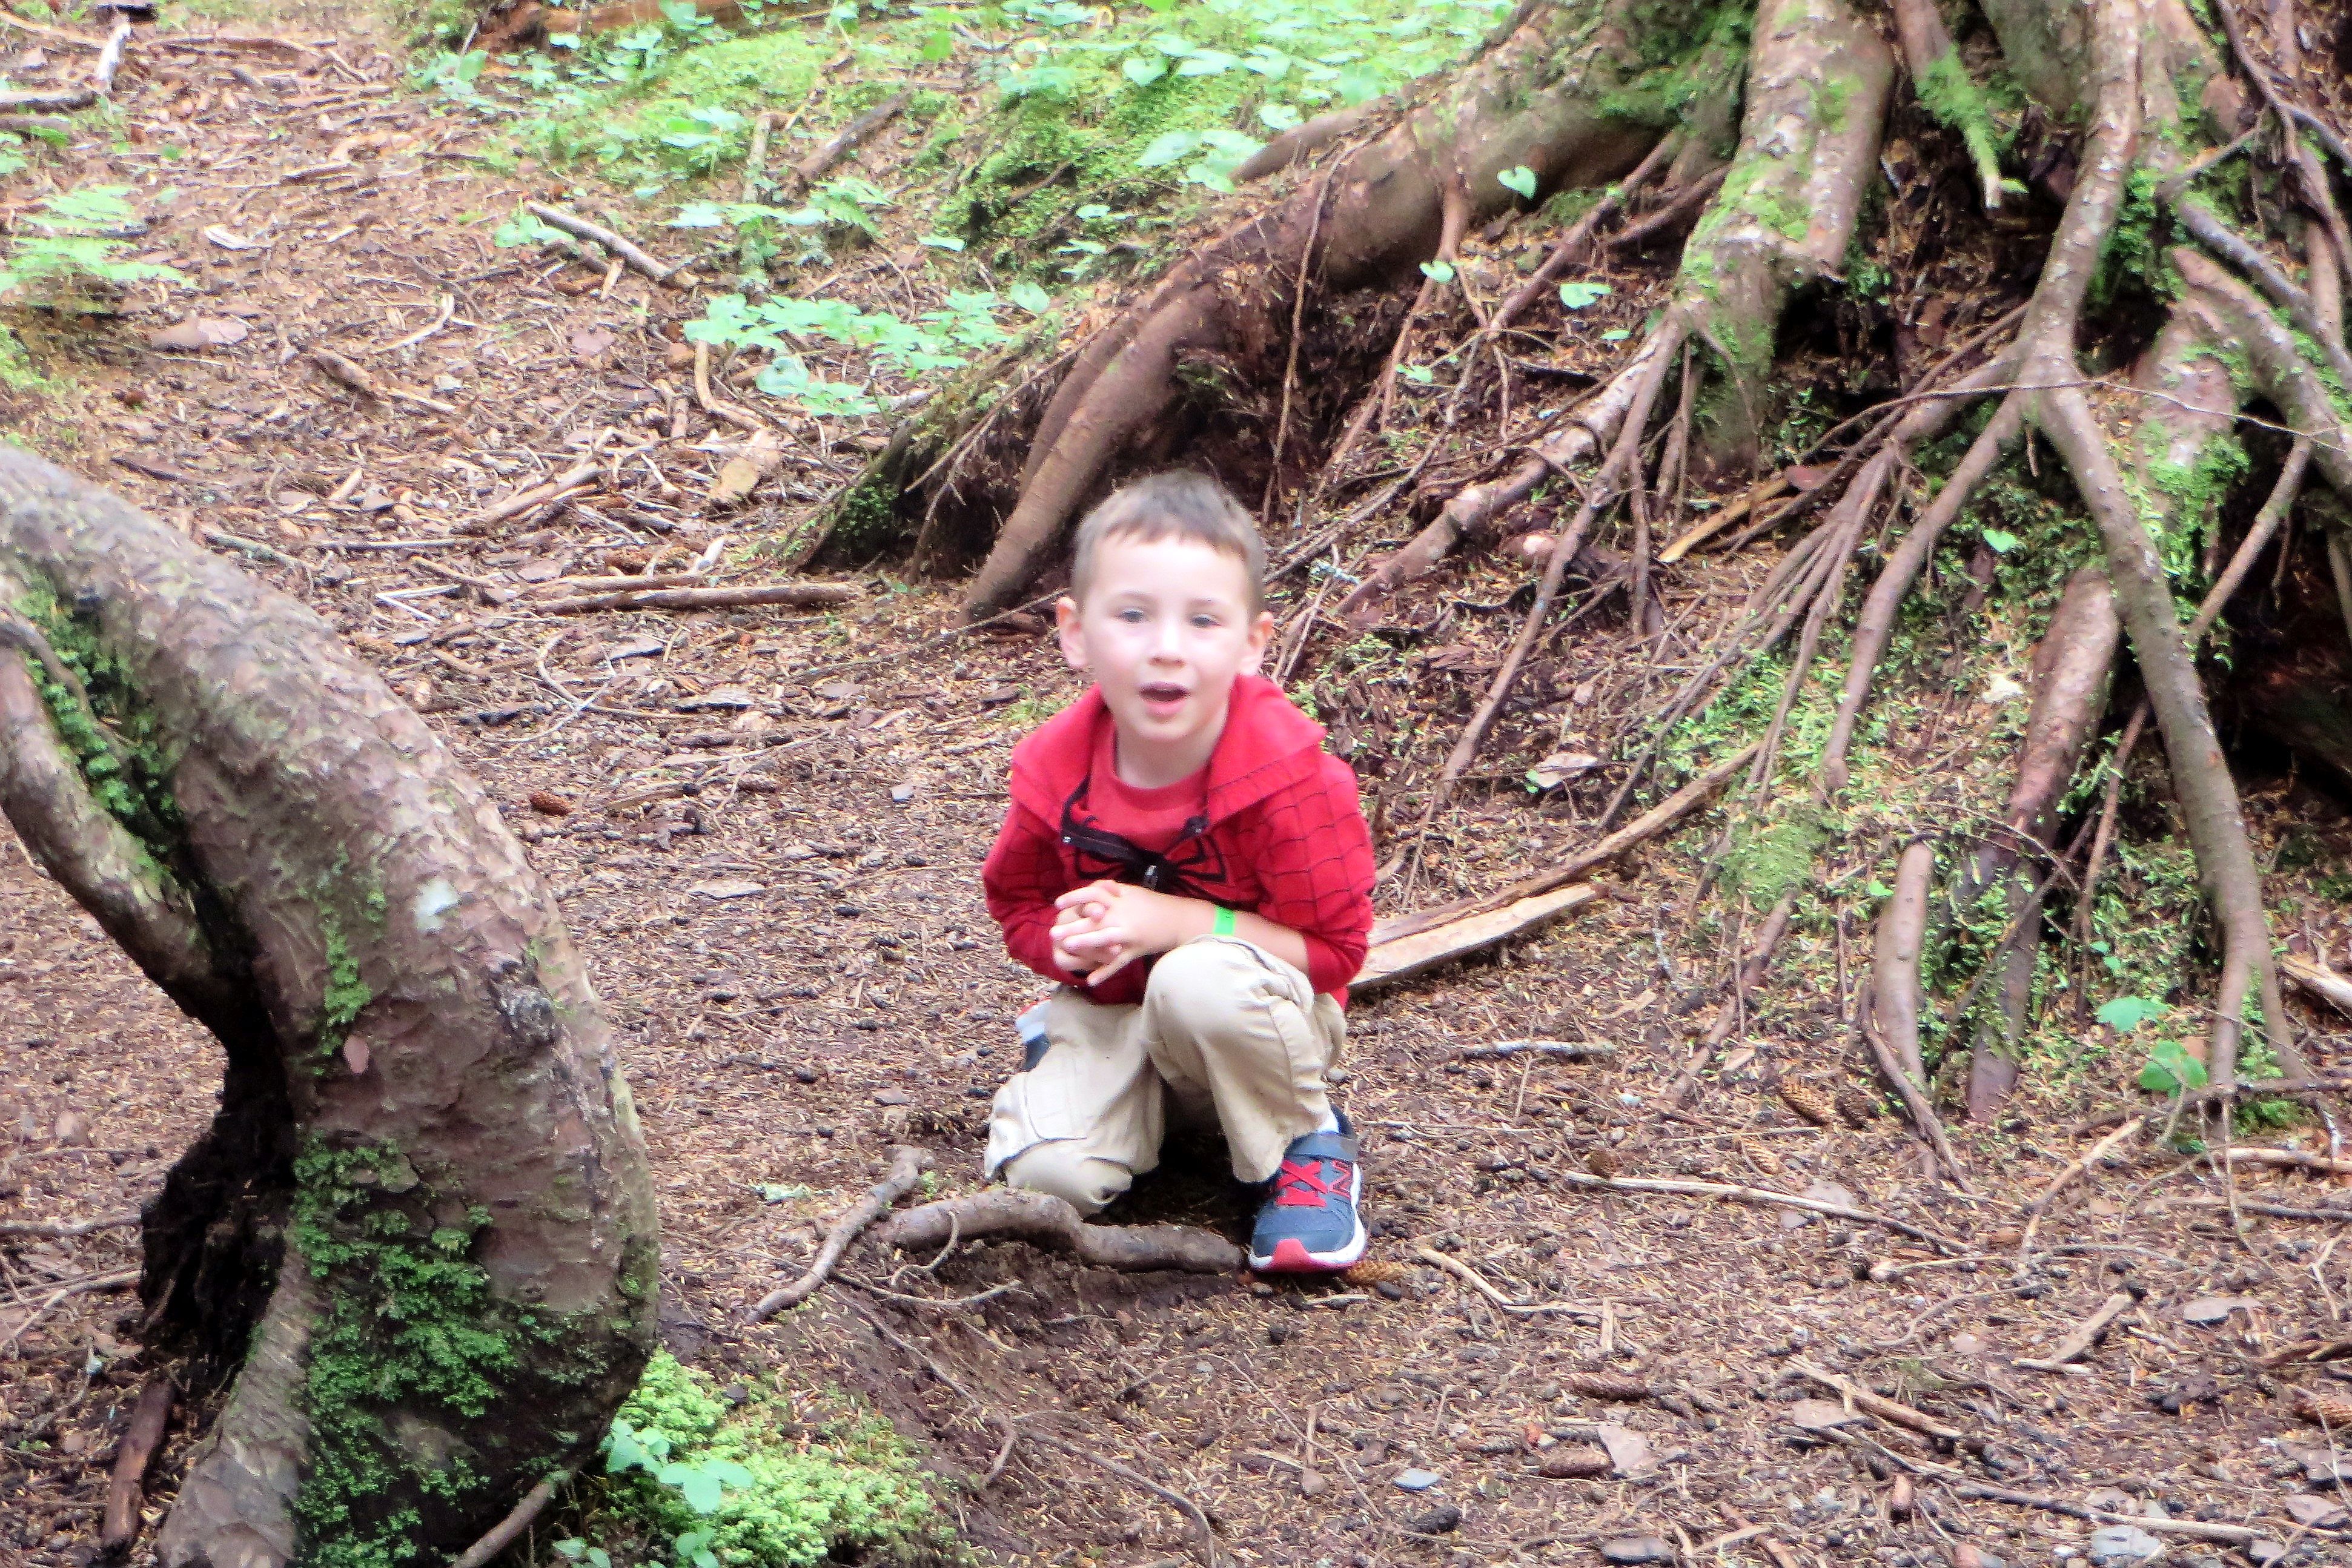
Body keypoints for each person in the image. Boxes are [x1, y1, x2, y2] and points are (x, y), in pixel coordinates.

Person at [979, 469, 1377, 1272]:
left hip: (1255, 1012)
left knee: (1199, 982)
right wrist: (1064, 945)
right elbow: (1018, 901)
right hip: (1116, 1014)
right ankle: (1115, 1091)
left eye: (1202, 620)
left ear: (1251, 644)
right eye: (1132, 615)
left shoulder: (1296, 780)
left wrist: (1180, 923)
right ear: (1076, 632)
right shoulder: (1056, 770)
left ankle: (1302, 1142)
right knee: (1051, 1179)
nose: (1166, 646)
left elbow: (1337, 953)